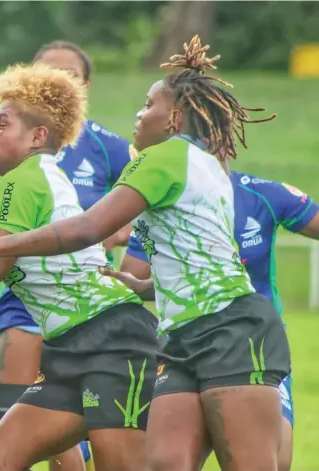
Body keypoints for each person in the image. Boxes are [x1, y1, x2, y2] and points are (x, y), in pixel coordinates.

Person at [0, 35, 291, 471]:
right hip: (162, 337)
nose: (138, 114)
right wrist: (148, 285)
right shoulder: (207, 164)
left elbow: (86, 229)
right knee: (155, 463)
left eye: (148, 105)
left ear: (174, 116)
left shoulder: (157, 159)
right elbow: (203, 256)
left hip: (214, 330)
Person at [0, 61, 158, 471]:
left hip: (112, 341)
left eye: (2, 124)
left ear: (37, 136)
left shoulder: (23, 180)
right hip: (67, 345)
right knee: (0, 458)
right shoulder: (34, 176)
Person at [0, 40, 136, 471]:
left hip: (105, 333)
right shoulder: (16, 168)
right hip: (58, 328)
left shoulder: (100, 150)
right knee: (1, 453)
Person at [118, 172, 319, 471]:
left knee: (274, 459)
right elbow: (136, 277)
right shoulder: (158, 200)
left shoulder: (260, 194)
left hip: (252, 342)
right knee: (167, 463)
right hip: (182, 343)